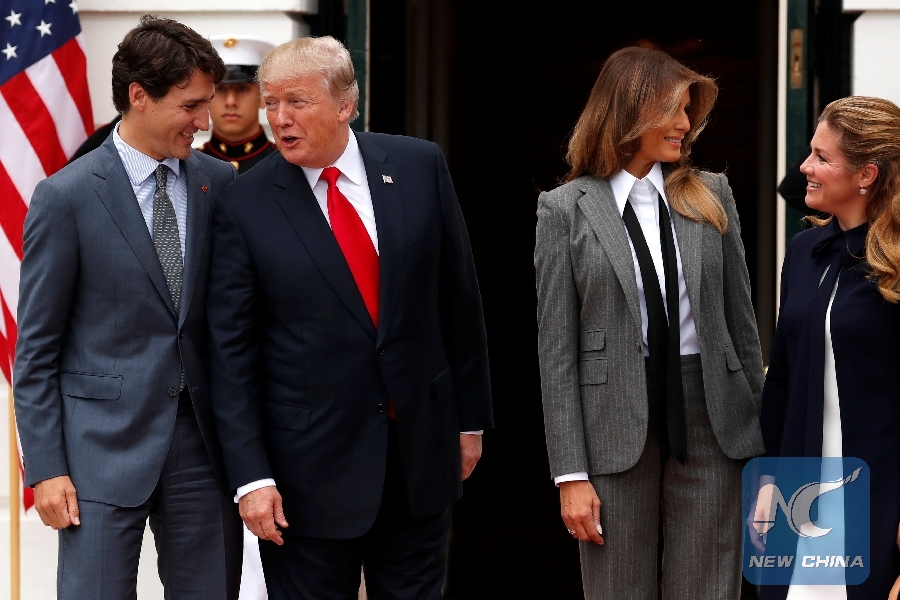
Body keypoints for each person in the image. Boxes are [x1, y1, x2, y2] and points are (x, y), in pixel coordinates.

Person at [206, 36, 493, 599]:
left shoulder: (418, 166)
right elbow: (231, 354)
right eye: (272, 103)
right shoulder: (244, 203)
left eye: (297, 101)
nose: (279, 118)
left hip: (418, 458)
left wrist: (469, 422)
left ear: (346, 105)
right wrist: (252, 477)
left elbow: (458, 302)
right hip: (304, 479)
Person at [14, 15, 242, 599]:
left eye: (207, 103)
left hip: (203, 451)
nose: (205, 121)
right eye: (191, 105)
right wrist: (46, 467)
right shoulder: (65, 197)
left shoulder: (221, 183)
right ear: (139, 96)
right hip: (96, 455)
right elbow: (35, 351)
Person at [534, 46, 764, 599]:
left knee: (709, 588)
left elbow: (742, 325)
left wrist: (763, 438)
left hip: (712, 414)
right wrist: (570, 474)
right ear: (633, 111)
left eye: (688, 111)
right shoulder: (564, 209)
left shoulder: (712, 193)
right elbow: (557, 349)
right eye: (675, 109)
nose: (686, 124)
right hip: (611, 419)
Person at [759, 96, 900, 600]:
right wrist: (768, 482)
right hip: (800, 495)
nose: (804, 167)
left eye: (821, 157)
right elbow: (782, 378)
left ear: (866, 174)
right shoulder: (803, 251)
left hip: (880, 494)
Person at [199, 35, 277, 174]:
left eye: (242, 89)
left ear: (262, 97)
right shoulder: (188, 166)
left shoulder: (286, 165)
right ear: (206, 98)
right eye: (220, 89)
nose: (231, 102)